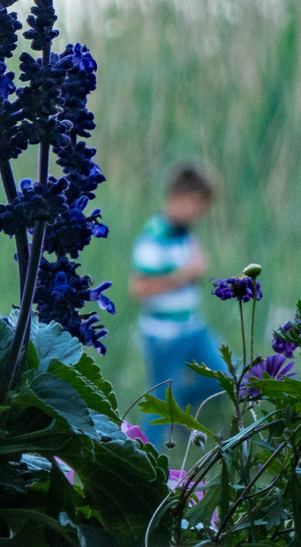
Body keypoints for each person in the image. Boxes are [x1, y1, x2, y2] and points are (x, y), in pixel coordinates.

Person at [130, 162, 227, 444]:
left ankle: (180, 410)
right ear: (180, 197)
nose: (200, 213)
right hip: (164, 336)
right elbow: (139, 288)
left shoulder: (185, 232)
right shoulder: (155, 235)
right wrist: (184, 276)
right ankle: (144, 458)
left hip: (192, 328)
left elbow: (196, 267)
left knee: (224, 379)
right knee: (159, 401)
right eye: (198, 204)